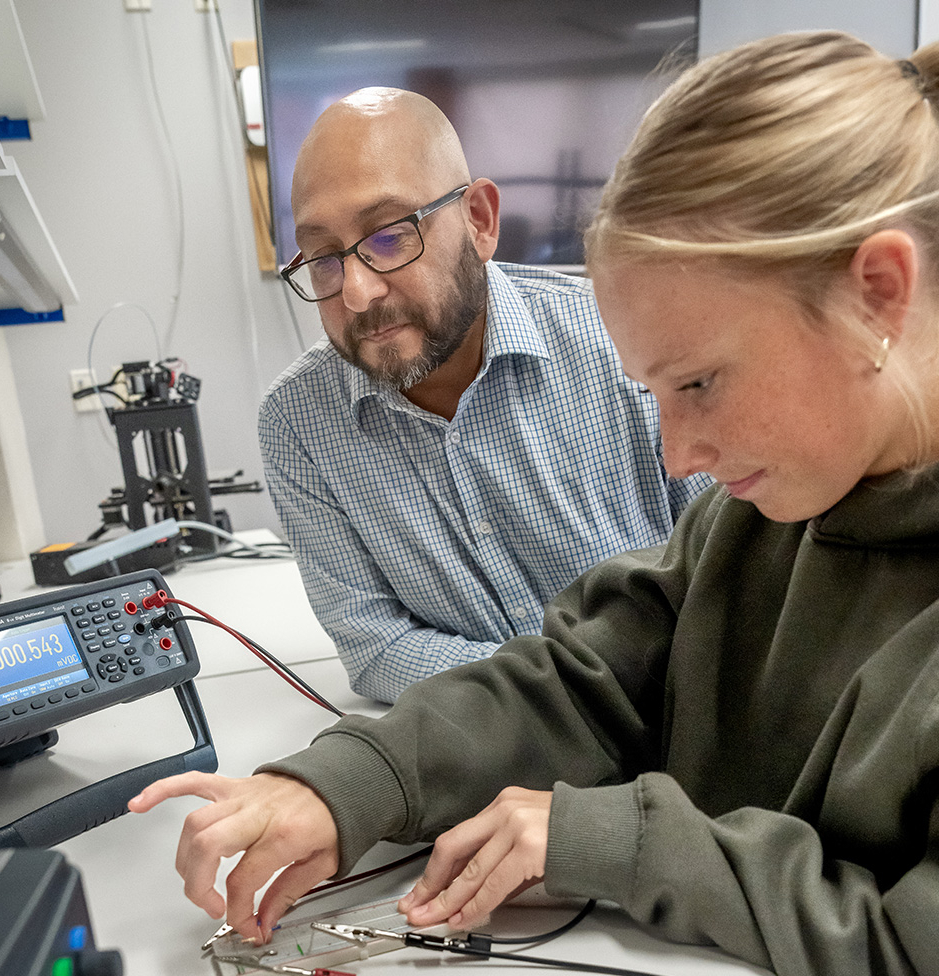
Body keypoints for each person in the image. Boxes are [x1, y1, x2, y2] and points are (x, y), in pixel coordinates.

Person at [133, 32, 939, 976]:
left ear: (879, 293)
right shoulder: (769, 511)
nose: (673, 457)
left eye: (696, 382)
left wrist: (620, 838)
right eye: (653, 393)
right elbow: (580, 676)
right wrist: (344, 782)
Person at [260, 87, 710, 703]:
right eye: (323, 258)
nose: (358, 292)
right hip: (486, 762)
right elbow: (377, 650)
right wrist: (570, 695)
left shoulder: (622, 345)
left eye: (390, 235)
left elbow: (734, 580)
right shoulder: (298, 423)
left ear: (479, 220)